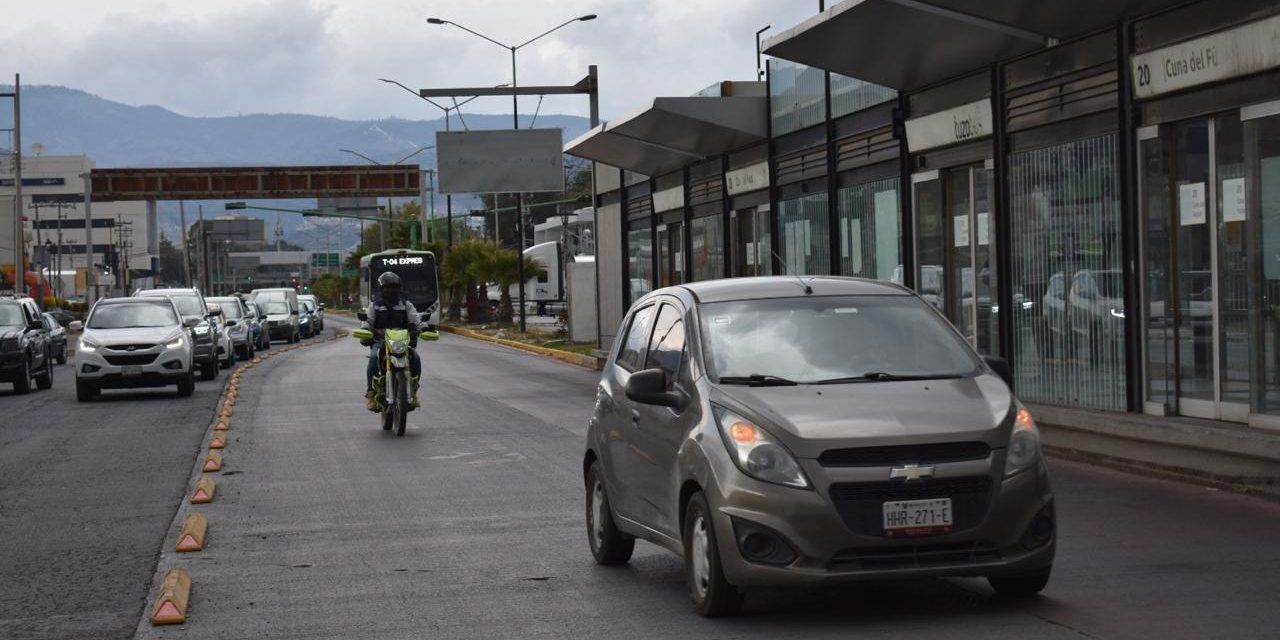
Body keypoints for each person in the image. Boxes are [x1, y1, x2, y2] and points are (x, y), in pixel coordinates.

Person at [361, 271, 423, 411]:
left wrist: (423, 327)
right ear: (381, 289)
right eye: (387, 287)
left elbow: (415, 318)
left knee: (416, 358)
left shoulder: (406, 305)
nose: (391, 290)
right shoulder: (374, 306)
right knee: (373, 358)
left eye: (394, 287)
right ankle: (370, 393)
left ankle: (413, 391)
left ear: (399, 288)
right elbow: (368, 321)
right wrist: (365, 330)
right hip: (381, 341)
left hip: (402, 342)